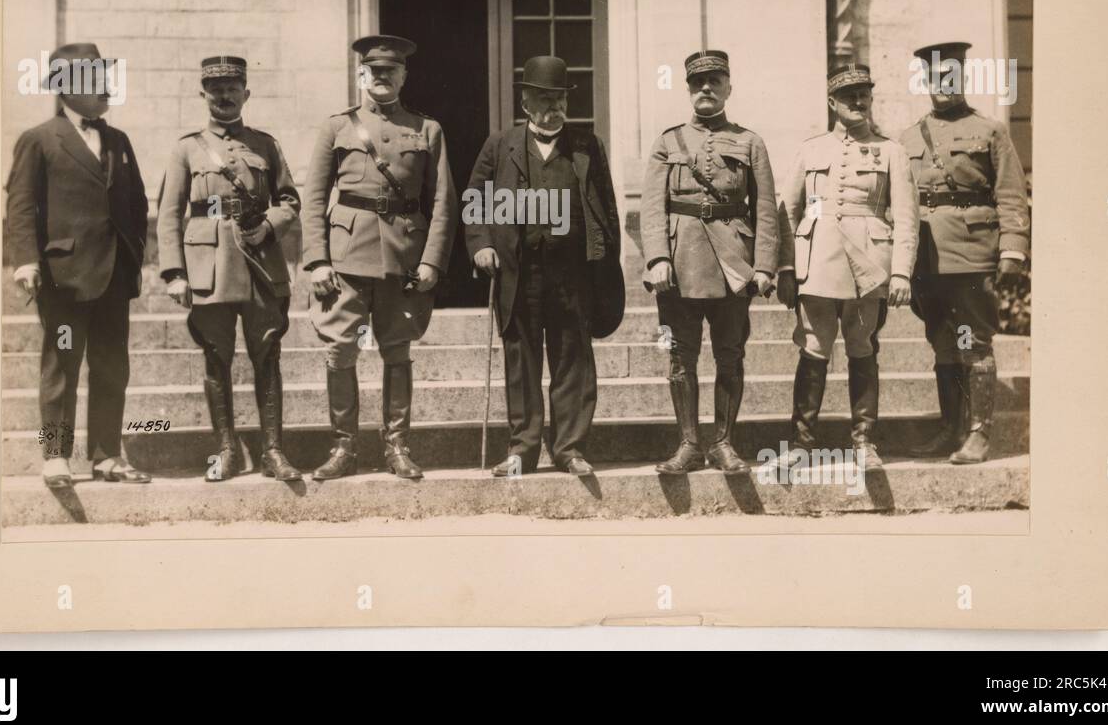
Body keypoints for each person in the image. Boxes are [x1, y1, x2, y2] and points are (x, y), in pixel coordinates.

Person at [300, 35, 457, 480]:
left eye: (392, 71)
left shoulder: (427, 129)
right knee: (340, 349)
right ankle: (344, 447)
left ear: (404, 76)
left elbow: (443, 201)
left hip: (404, 255)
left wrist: (432, 260)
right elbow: (314, 198)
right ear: (361, 75)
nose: (382, 77)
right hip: (345, 258)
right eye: (374, 71)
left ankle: (397, 445)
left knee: (397, 348)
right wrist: (317, 260)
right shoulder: (337, 127)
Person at [465, 55, 622, 477]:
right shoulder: (501, 145)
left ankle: (569, 449)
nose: (553, 107)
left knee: (573, 358)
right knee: (522, 359)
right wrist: (481, 244)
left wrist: (604, 263)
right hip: (519, 271)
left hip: (572, 273)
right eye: (544, 99)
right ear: (526, 103)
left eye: (559, 99)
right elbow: (475, 200)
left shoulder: (587, 146)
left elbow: (607, 208)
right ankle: (523, 450)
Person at [5, 42, 151, 489]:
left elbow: (137, 202)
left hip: (113, 277)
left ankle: (107, 457)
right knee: (62, 366)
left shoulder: (118, 141)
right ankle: (55, 457)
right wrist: (25, 261)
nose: (106, 87)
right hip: (64, 279)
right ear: (66, 88)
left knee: (112, 367)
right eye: (95, 80)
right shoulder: (39, 139)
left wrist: (134, 253)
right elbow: (21, 207)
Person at [157, 55, 303, 483]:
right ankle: (226, 450)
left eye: (232, 89)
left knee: (267, 353)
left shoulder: (266, 144)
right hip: (208, 267)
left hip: (260, 263)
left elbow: (289, 200)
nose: (224, 96)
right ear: (203, 95)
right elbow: (169, 214)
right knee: (215, 355)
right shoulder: (187, 148)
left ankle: (273, 451)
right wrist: (174, 273)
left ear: (246, 93)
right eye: (215, 90)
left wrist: (269, 226)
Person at [641, 49, 779, 476]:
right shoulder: (668, 142)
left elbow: (766, 208)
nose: (706, 88)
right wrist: (657, 258)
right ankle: (688, 445)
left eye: (715, 81)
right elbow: (652, 207)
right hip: (679, 262)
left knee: (730, 355)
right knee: (680, 356)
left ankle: (722, 443)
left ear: (728, 88)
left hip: (732, 264)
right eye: (698, 82)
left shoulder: (750, 141)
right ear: (688, 89)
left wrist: (765, 266)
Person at [775, 64, 918, 470]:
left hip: (868, 265)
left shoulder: (891, 151)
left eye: (864, 93)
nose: (858, 101)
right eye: (848, 95)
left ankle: (864, 443)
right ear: (832, 102)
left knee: (862, 347)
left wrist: (901, 272)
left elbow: (906, 217)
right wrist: (786, 268)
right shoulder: (810, 149)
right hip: (817, 261)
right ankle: (801, 444)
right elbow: (788, 212)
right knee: (813, 348)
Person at [899, 41, 1029, 463]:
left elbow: (1011, 194)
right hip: (927, 257)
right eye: (934, 77)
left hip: (972, 253)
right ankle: (950, 429)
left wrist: (1012, 249)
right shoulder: (908, 137)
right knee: (942, 341)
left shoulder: (989, 131)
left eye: (950, 76)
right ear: (924, 81)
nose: (943, 84)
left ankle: (978, 433)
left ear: (964, 77)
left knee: (973, 340)